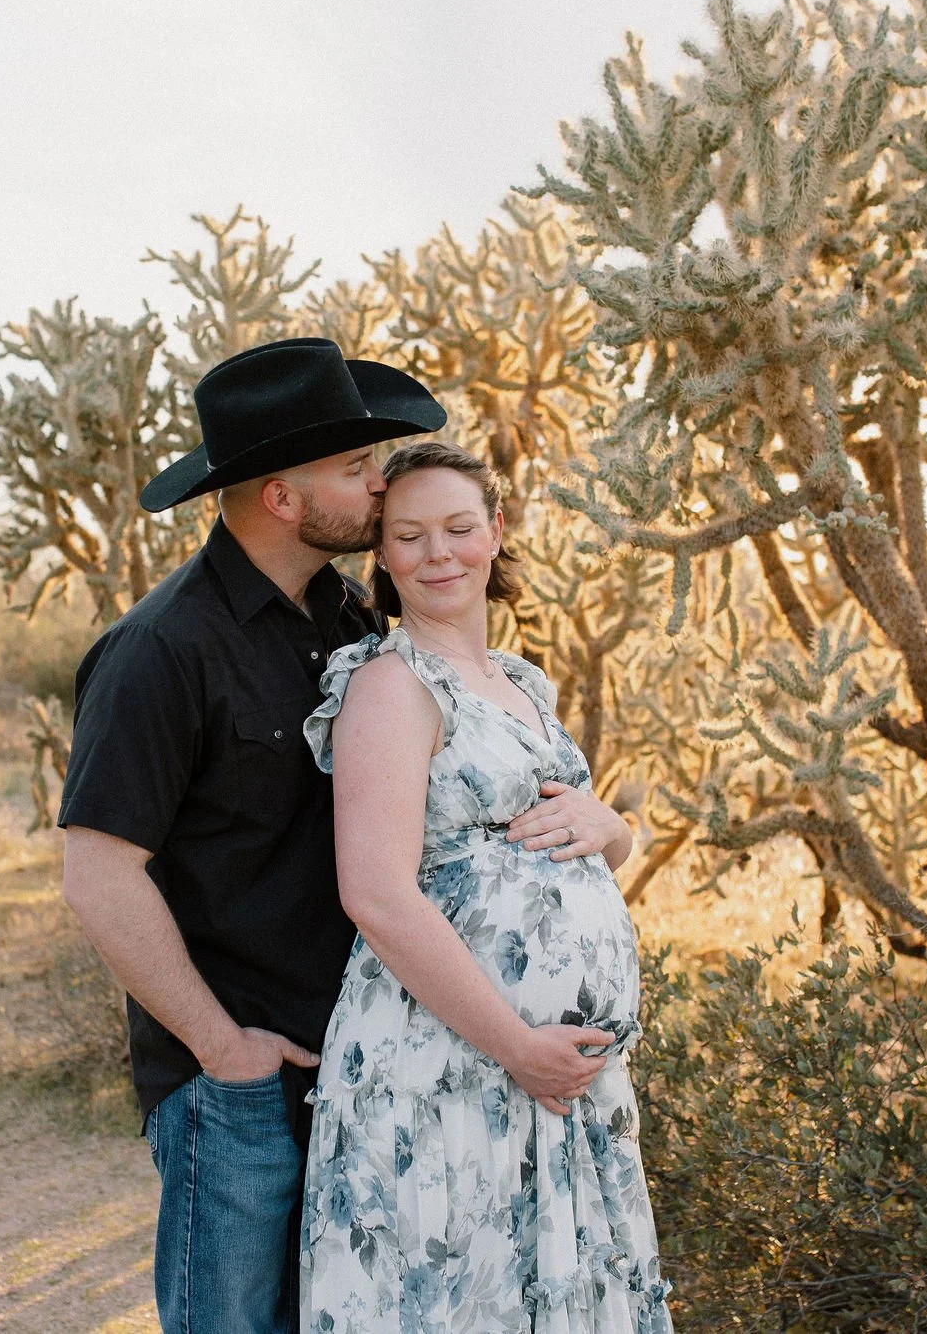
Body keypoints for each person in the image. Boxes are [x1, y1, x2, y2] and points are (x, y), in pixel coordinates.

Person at [56, 337, 450, 1334]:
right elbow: (98, 873)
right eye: (355, 469)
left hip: (358, 1068)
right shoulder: (157, 651)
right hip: (233, 1086)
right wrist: (219, 1048)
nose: (378, 488)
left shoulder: (353, 621)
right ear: (282, 497)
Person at [299, 441, 672, 1332]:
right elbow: (378, 894)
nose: (439, 554)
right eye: (411, 535)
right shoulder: (391, 686)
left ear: (496, 532)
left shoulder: (521, 684)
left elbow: (563, 843)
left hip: (554, 1084)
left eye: (460, 528)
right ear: (382, 556)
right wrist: (517, 1044)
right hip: (453, 1071)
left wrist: (614, 828)